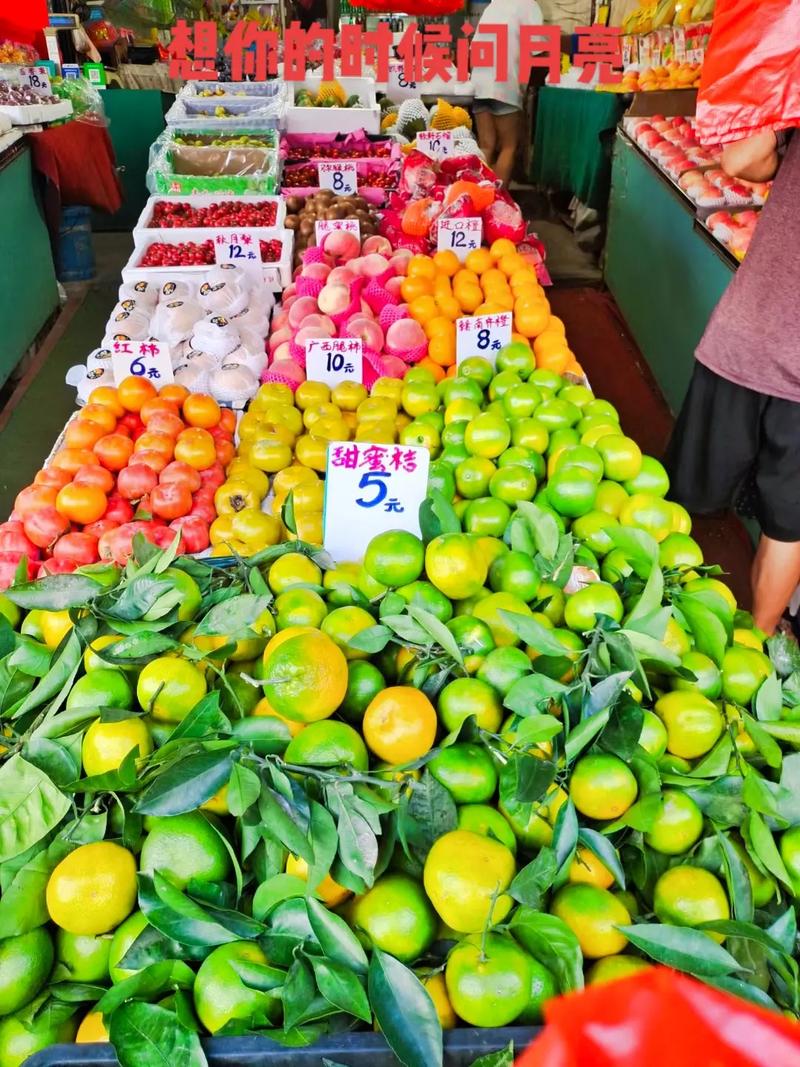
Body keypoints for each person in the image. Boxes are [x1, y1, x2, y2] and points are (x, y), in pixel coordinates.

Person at [665, 128, 799, 635]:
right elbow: (748, 163)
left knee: (693, 497)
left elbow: (742, 160)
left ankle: (674, 624)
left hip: (752, 339)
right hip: (752, 341)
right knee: (787, 524)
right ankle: (752, 644)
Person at [470, 0, 543, 186]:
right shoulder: (530, 6)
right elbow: (539, 51)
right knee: (508, 146)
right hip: (505, 84)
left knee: (486, 145)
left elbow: (473, 49)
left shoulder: (493, 5)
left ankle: (477, 196)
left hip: (479, 82)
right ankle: (497, 202)